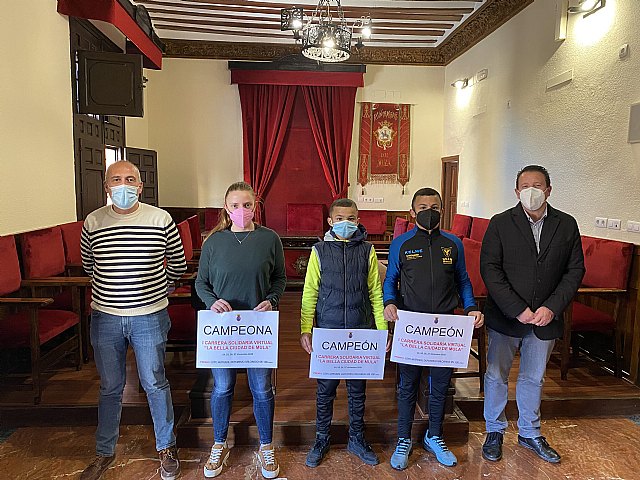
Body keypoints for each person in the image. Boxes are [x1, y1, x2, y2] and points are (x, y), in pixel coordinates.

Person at [80, 161, 187, 480]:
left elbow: (178, 265)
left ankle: (166, 447)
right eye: (116, 179)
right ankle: (104, 451)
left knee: (154, 382)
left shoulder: (160, 218)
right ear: (106, 186)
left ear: (140, 187)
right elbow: (89, 265)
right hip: (106, 317)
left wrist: (155, 290)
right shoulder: (93, 221)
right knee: (110, 386)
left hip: (149, 316)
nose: (123, 184)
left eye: (130, 179)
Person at [480, 165, 584, 464]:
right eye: (525, 185)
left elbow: (574, 270)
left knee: (533, 378)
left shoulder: (566, 224)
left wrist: (552, 307)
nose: (531, 191)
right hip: (506, 315)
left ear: (549, 190)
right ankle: (495, 430)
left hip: (546, 318)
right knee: (496, 375)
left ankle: (529, 432)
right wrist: (517, 309)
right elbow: (491, 269)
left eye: (537, 185)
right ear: (516, 192)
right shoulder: (500, 223)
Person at [383, 187, 484, 469]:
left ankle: (435, 435)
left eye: (435, 207)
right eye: (424, 206)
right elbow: (391, 279)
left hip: (444, 326)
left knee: (440, 385)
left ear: (442, 210)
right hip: (411, 325)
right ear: (413, 211)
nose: (430, 211)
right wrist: (389, 302)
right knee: (407, 386)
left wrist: (471, 307)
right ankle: (404, 438)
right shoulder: (401, 243)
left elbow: (463, 281)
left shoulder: (454, 244)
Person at [195, 181, 286, 479]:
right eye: (235, 205)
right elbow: (201, 283)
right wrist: (211, 302)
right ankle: (219, 443)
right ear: (226, 207)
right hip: (222, 329)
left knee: (261, 388)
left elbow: (279, 279)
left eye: (247, 205)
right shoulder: (214, 241)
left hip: (257, 327)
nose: (241, 210)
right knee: (222, 387)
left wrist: (271, 300)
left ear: (255, 206)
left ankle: (266, 445)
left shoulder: (269, 239)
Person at [299, 198, 388, 468]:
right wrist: (306, 328)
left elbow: (375, 291)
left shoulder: (367, 250)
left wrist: (382, 330)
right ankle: (322, 438)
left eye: (351, 218)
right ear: (330, 221)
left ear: (358, 220)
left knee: (357, 390)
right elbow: (310, 292)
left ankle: (357, 438)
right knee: (325, 391)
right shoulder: (320, 250)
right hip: (328, 330)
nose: (345, 223)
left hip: (361, 330)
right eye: (340, 218)